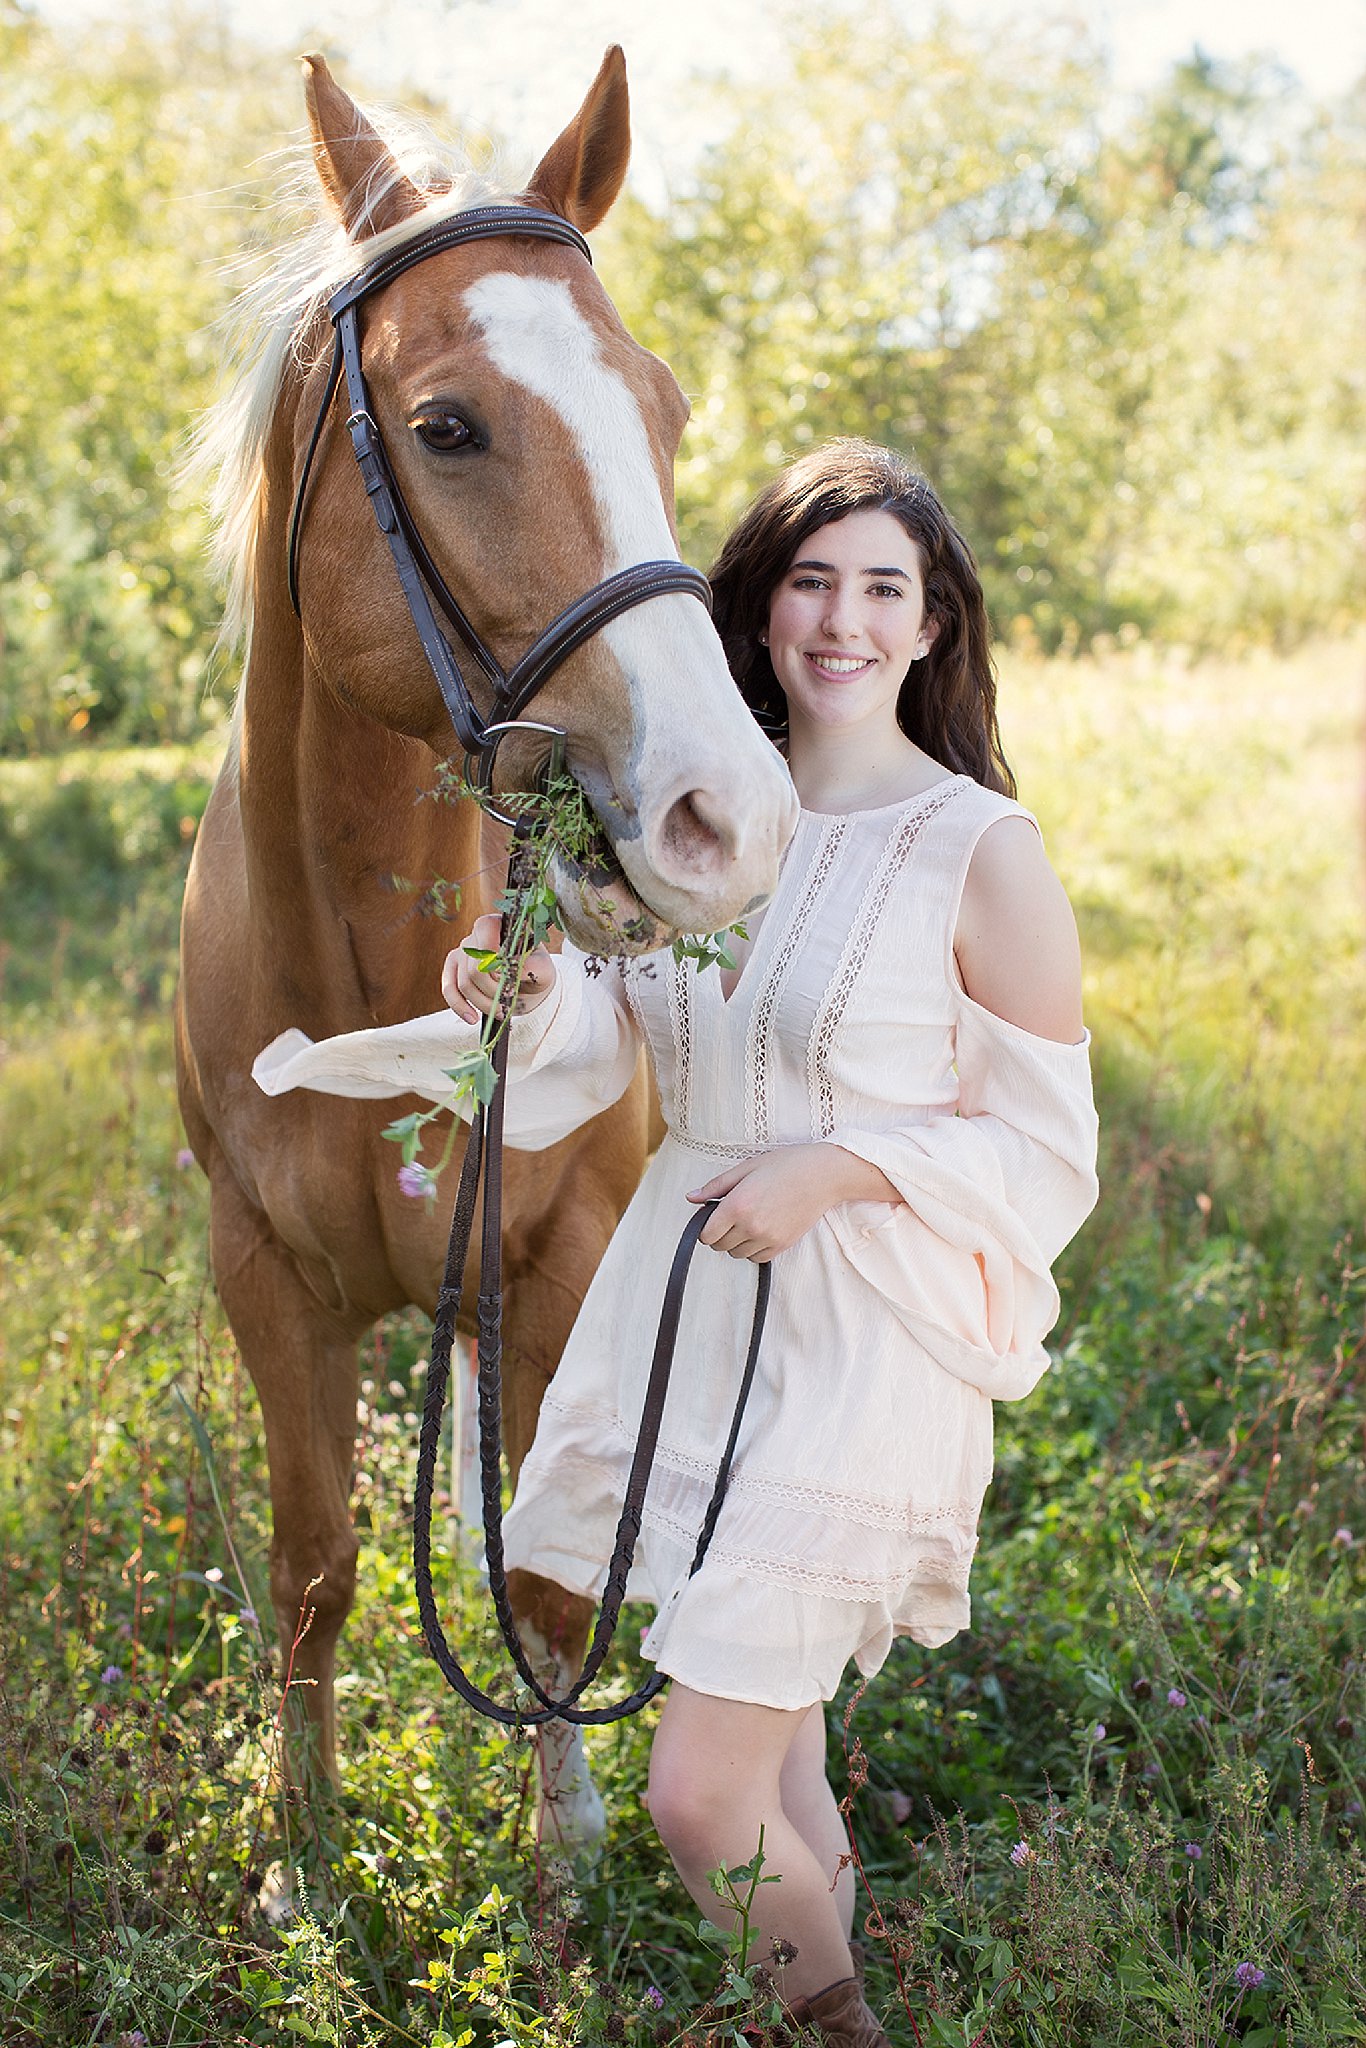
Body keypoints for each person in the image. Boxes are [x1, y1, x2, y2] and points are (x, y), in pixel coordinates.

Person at [443, 441, 1100, 2046]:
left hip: (861, 1330)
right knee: (779, 1746)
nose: (842, 618)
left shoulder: (974, 849)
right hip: (684, 1313)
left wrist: (847, 1167)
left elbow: (1044, 1150)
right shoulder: (693, 823)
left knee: (696, 1790)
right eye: (810, 579)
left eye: (884, 587)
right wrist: (523, 992)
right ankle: (804, 1990)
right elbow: (619, 1049)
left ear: (932, 625)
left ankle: (829, 2029)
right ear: (755, 604)